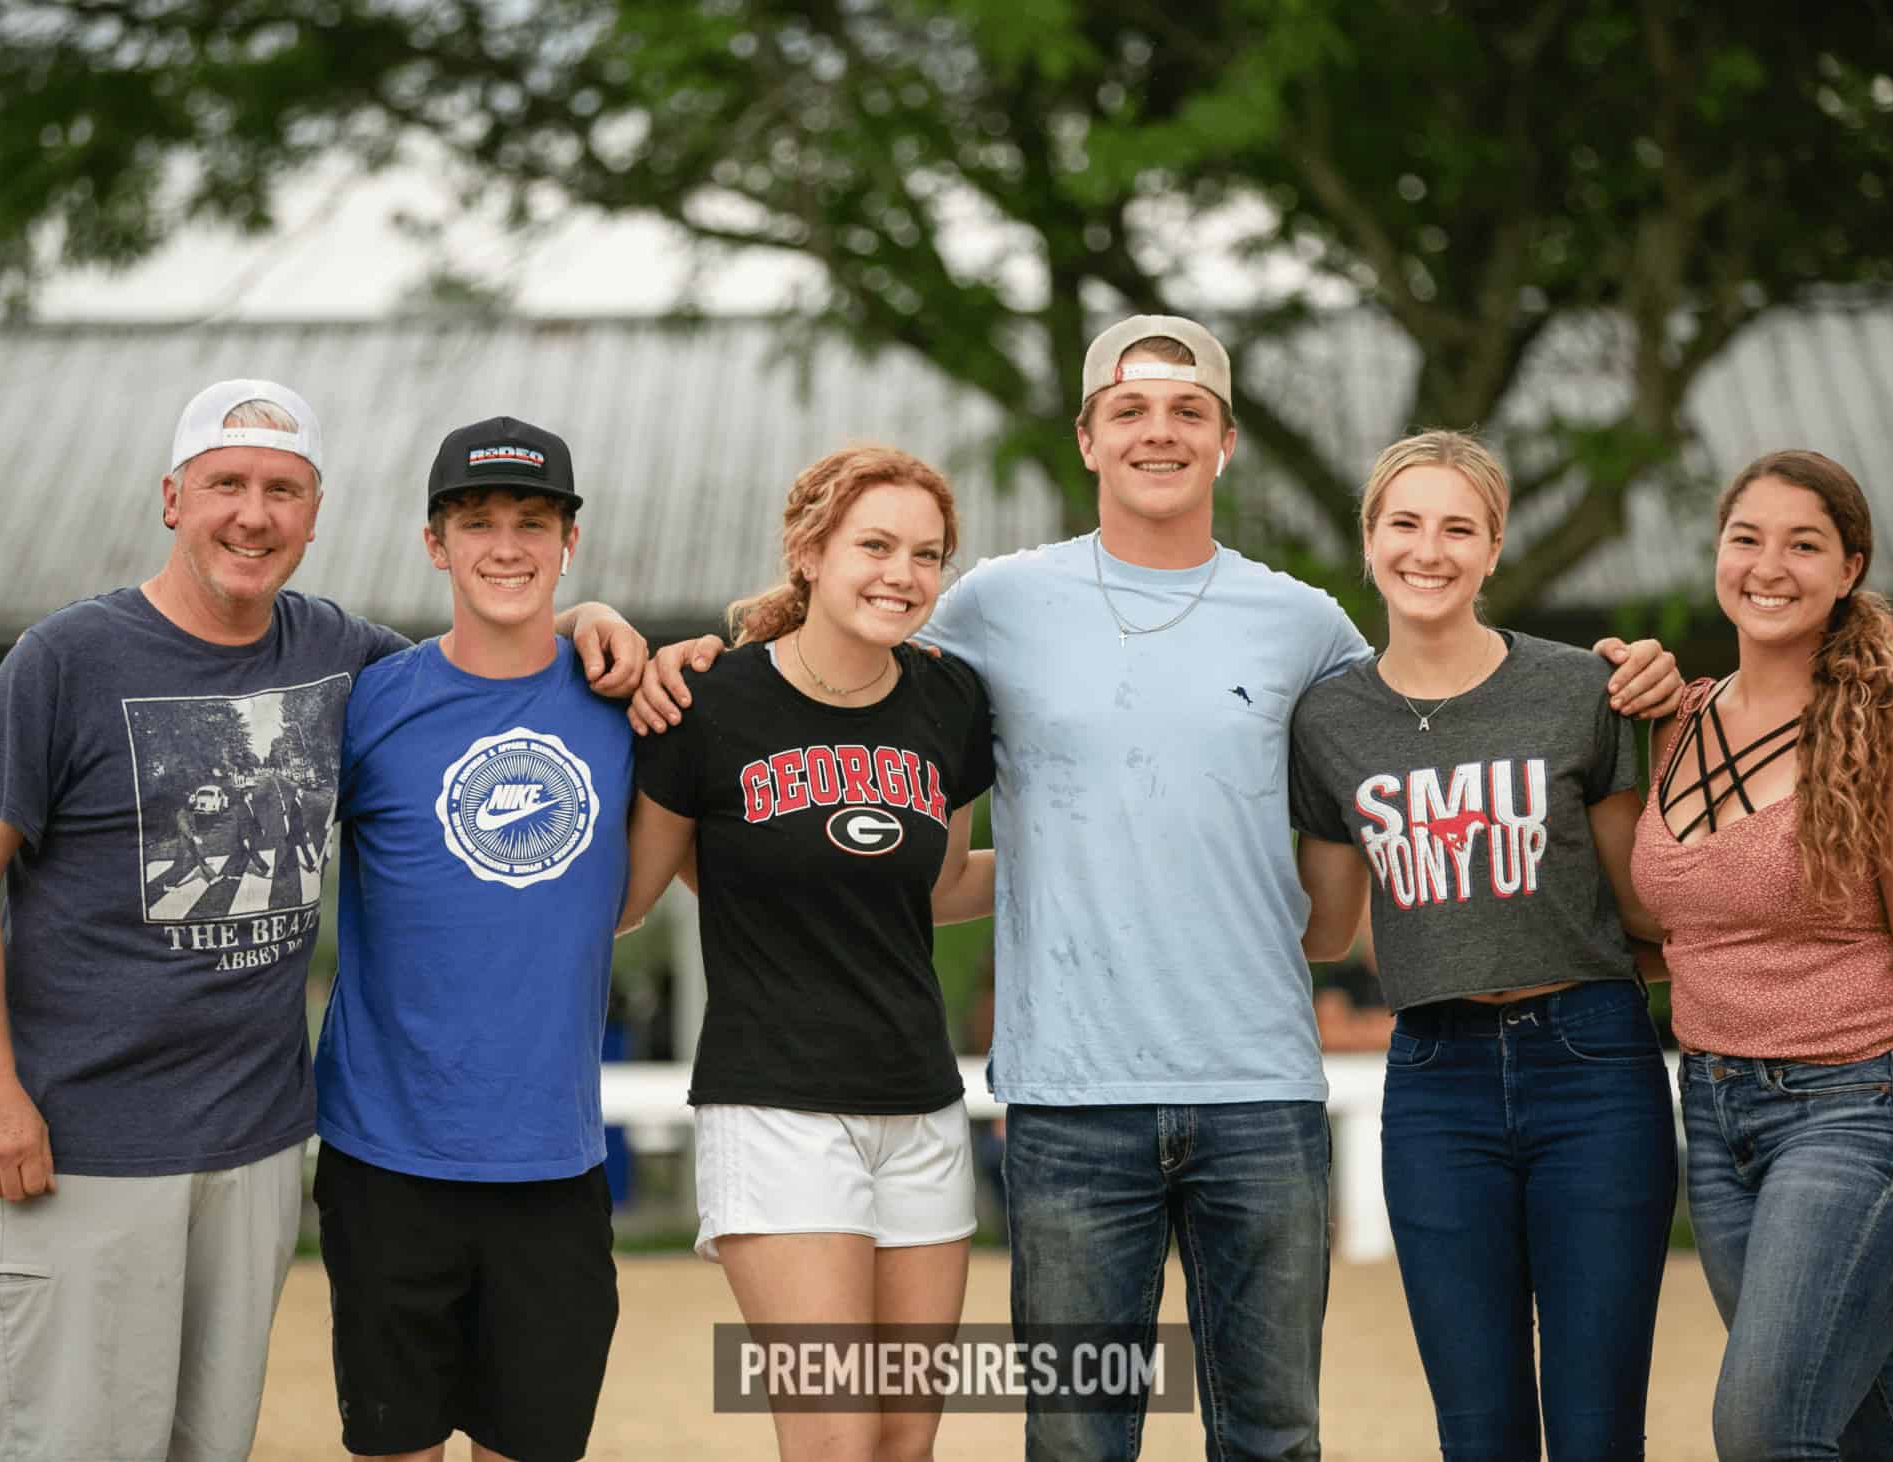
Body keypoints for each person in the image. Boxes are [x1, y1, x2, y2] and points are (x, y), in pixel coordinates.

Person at [630, 318, 1681, 1459]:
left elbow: (1435, 706)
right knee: (1075, 1439)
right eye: (1128, 410)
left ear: (1226, 442)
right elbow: (846, 652)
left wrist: (1616, 680)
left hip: (1260, 1094)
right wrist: (702, 662)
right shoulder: (988, 605)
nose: (1158, 432)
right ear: (1087, 438)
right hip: (1068, 1101)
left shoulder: (1306, 627)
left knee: (1273, 1438)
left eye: (1188, 411)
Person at [0, 380, 645, 1462]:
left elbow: (487, 659)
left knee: (209, 1442)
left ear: (316, 516)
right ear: (172, 498)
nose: (253, 515)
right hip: (88, 1142)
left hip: (258, 1144)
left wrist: (590, 622)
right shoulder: (67, 657)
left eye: (282, 490)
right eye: (226, 484)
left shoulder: (339, 657)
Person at [1287, 429, 1679, 1460]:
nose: (1429, 550)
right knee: (1478, 1433)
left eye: (1458, 528)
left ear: (1494, 548)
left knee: (1596, 1432)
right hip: (1435, 1081)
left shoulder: (1578, 689)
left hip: (1592, 1068)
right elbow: (1322, 926)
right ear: (1369, 540)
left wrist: (1677, 720)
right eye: (1405, 523)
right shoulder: (1326, 720)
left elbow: (1644, 905)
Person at [618, 445, 995, 1462]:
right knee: (833, 1439)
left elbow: (938, 886)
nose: (901, 574)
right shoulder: (708, 701)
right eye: (874, 545)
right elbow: (628, 898)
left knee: (904, 1445)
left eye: (926, 554)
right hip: (777, 1107)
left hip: (920, 1106)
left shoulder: (950, 701)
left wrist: (1107, 862)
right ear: (808, 551)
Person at [1630, 449, 1893, 1460]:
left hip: (1857, 1114)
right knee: (1861, 1428)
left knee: (1763, 1428)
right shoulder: (1676, 723)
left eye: (1803, 544)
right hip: (1715, 1115)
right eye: (1746, 538)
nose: (1768, 566)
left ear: (1849, 568)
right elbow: (1674, 929)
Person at [313, 417, 632, 1462]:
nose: (505, 546)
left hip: (552, 1163)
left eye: (532, 523)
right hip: (386, 1159)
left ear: (569, 544)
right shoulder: (368, 704)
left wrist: (607, 629)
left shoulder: (628, 702)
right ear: (434, 543)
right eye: (476, 522)